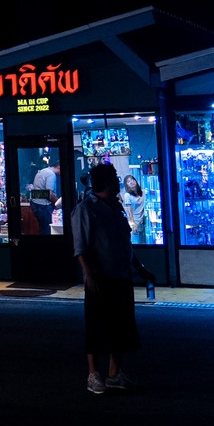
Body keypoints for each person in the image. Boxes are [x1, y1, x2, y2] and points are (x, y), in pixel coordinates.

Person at [76, 162, 140, 394]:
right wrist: (89, 274)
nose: (117, 181)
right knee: (96, 326)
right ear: (105, 182)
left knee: (121, 325)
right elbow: (80, 247)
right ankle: (93, 374)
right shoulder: (86, 209)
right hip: (100, 277)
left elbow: (124, 240)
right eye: (114, 178)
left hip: (121, 274)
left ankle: (114, 373)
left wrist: (137, 266)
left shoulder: (116, 206)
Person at [28, 156, 60, 235]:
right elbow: (49, 193)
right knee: (47, 230)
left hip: (36, 204)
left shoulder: (43, 171)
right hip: (43, 206)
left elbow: (37, 191)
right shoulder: (51, 175)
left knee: (43, 228)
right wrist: (58, 203)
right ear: (59, 167)